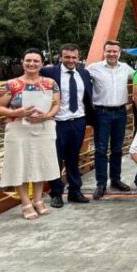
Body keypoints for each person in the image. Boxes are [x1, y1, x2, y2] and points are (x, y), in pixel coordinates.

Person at [0, 48, 61, 219]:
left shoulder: (50, 83)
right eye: (28, 60)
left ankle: (38, 200)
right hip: (19, 128)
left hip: (43, 127)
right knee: (20, 164)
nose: (32, 64)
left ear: (42, 64)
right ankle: (25, 202)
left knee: (41, 163)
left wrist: (46, 115)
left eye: (36, 61)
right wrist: (16, 113)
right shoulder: (11, 84)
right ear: (23, 62)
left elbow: (56, 104)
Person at [43, 43, 95, 208]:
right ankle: (56, 193)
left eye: (74, 57)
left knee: (73, 158)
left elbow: (87, 97)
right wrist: (5, 88)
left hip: (78, 121)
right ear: (60, 57)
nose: (71, 60)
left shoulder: (83, 73)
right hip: (57, 122)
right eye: (67, 57)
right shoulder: (49, 72)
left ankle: (75, 191)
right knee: (56, 159)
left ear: (78, 58)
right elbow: (28, 78)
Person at [87, 40, 134, 199]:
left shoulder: (126, 68)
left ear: (119, 53)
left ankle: (116, 180)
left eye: (115, 51)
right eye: (109, 51)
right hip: (101, 113)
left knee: (117, 148)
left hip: (121, 112)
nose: (112, 54)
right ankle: (101, 184)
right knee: (100, 149)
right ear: (104, 51)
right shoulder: (93, 68)